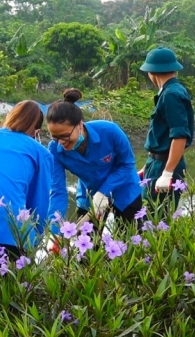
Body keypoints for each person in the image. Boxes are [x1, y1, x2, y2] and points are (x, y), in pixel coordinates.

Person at [47, 89, 142, 234]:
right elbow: (58, 190)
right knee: (86, 250)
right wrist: (55, 231)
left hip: (125, 190)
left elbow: (127, 164)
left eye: (65, 136)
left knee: (130, 243)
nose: (61, 143)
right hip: (89, 196)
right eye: (55, 137)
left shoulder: (110, 132)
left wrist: (104, 192)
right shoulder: (55, 149)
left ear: (79, 124)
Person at [0, 101, 52, 259]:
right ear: (37, 132)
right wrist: (36, 239)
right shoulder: (40, 152)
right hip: (12, 232)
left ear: (9, 116)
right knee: (14, 283)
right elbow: (39, 203)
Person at [139, 47, 195, 206]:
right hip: (156, 164)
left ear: (151, 73)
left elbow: (180, 135)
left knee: (157, 219)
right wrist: (147, 167)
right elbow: (161, 137)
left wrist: (167, 173)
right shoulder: (171, 91)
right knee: (150, 216)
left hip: (164, 166)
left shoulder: (171, 95)